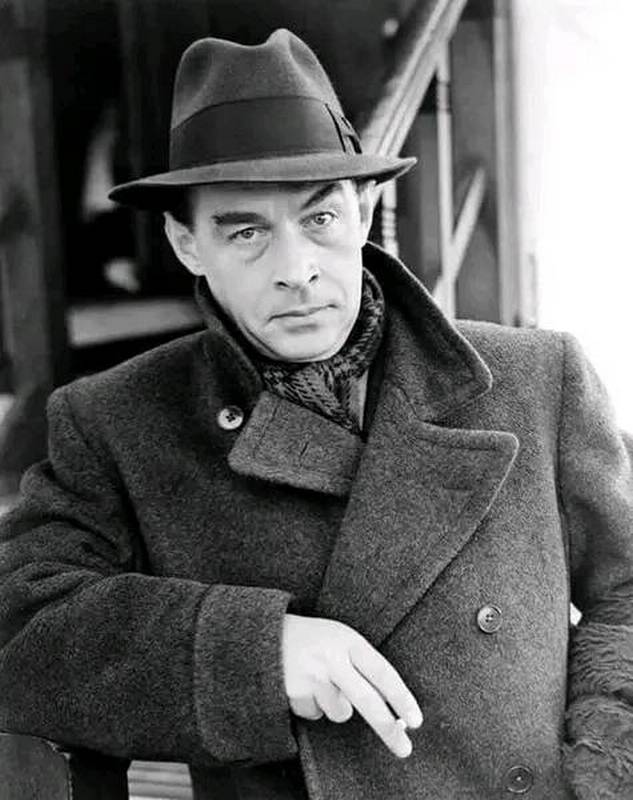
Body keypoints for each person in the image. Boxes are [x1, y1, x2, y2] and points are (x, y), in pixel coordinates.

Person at [1, 28, 633, 800]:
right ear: (185, 243)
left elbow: (625, 589)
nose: (296, 270)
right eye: (246, 232)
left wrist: (603, 761)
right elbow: (17, 629)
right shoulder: (121, 422)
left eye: (319, 218)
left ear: (361, 212)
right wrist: (253, 654)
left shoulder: (535, 379)